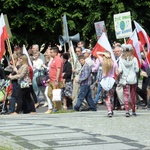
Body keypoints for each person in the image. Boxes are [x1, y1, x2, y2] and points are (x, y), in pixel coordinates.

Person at [118, 44, 139, 117]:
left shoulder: (121, 59)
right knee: (133, 95)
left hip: (125, 80)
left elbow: (120, 70)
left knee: (126, 96)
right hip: (133, 79)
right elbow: (137, 70)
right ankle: (133, 110)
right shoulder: (135, 59)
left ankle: (127, 111)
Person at [97, 50, 118, 117]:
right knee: (111, 96)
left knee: (106, 97)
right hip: (112, 80)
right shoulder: (114, 63)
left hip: (104, 80)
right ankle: (111, 109)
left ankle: (109, 110)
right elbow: (117, 73)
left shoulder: (103, 62)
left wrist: (103, 53)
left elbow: (97, 53)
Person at [47, 47, 64, 112]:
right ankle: (56, 106)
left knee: (56, 94)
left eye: (51, 52)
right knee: (49, 94)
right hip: (51, 80)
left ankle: (58, 108)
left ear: (55, 52)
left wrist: (57, 80)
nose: (50, 54)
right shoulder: (53, 59)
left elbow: (58, 70)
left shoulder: (58, 59)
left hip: (56, 80)